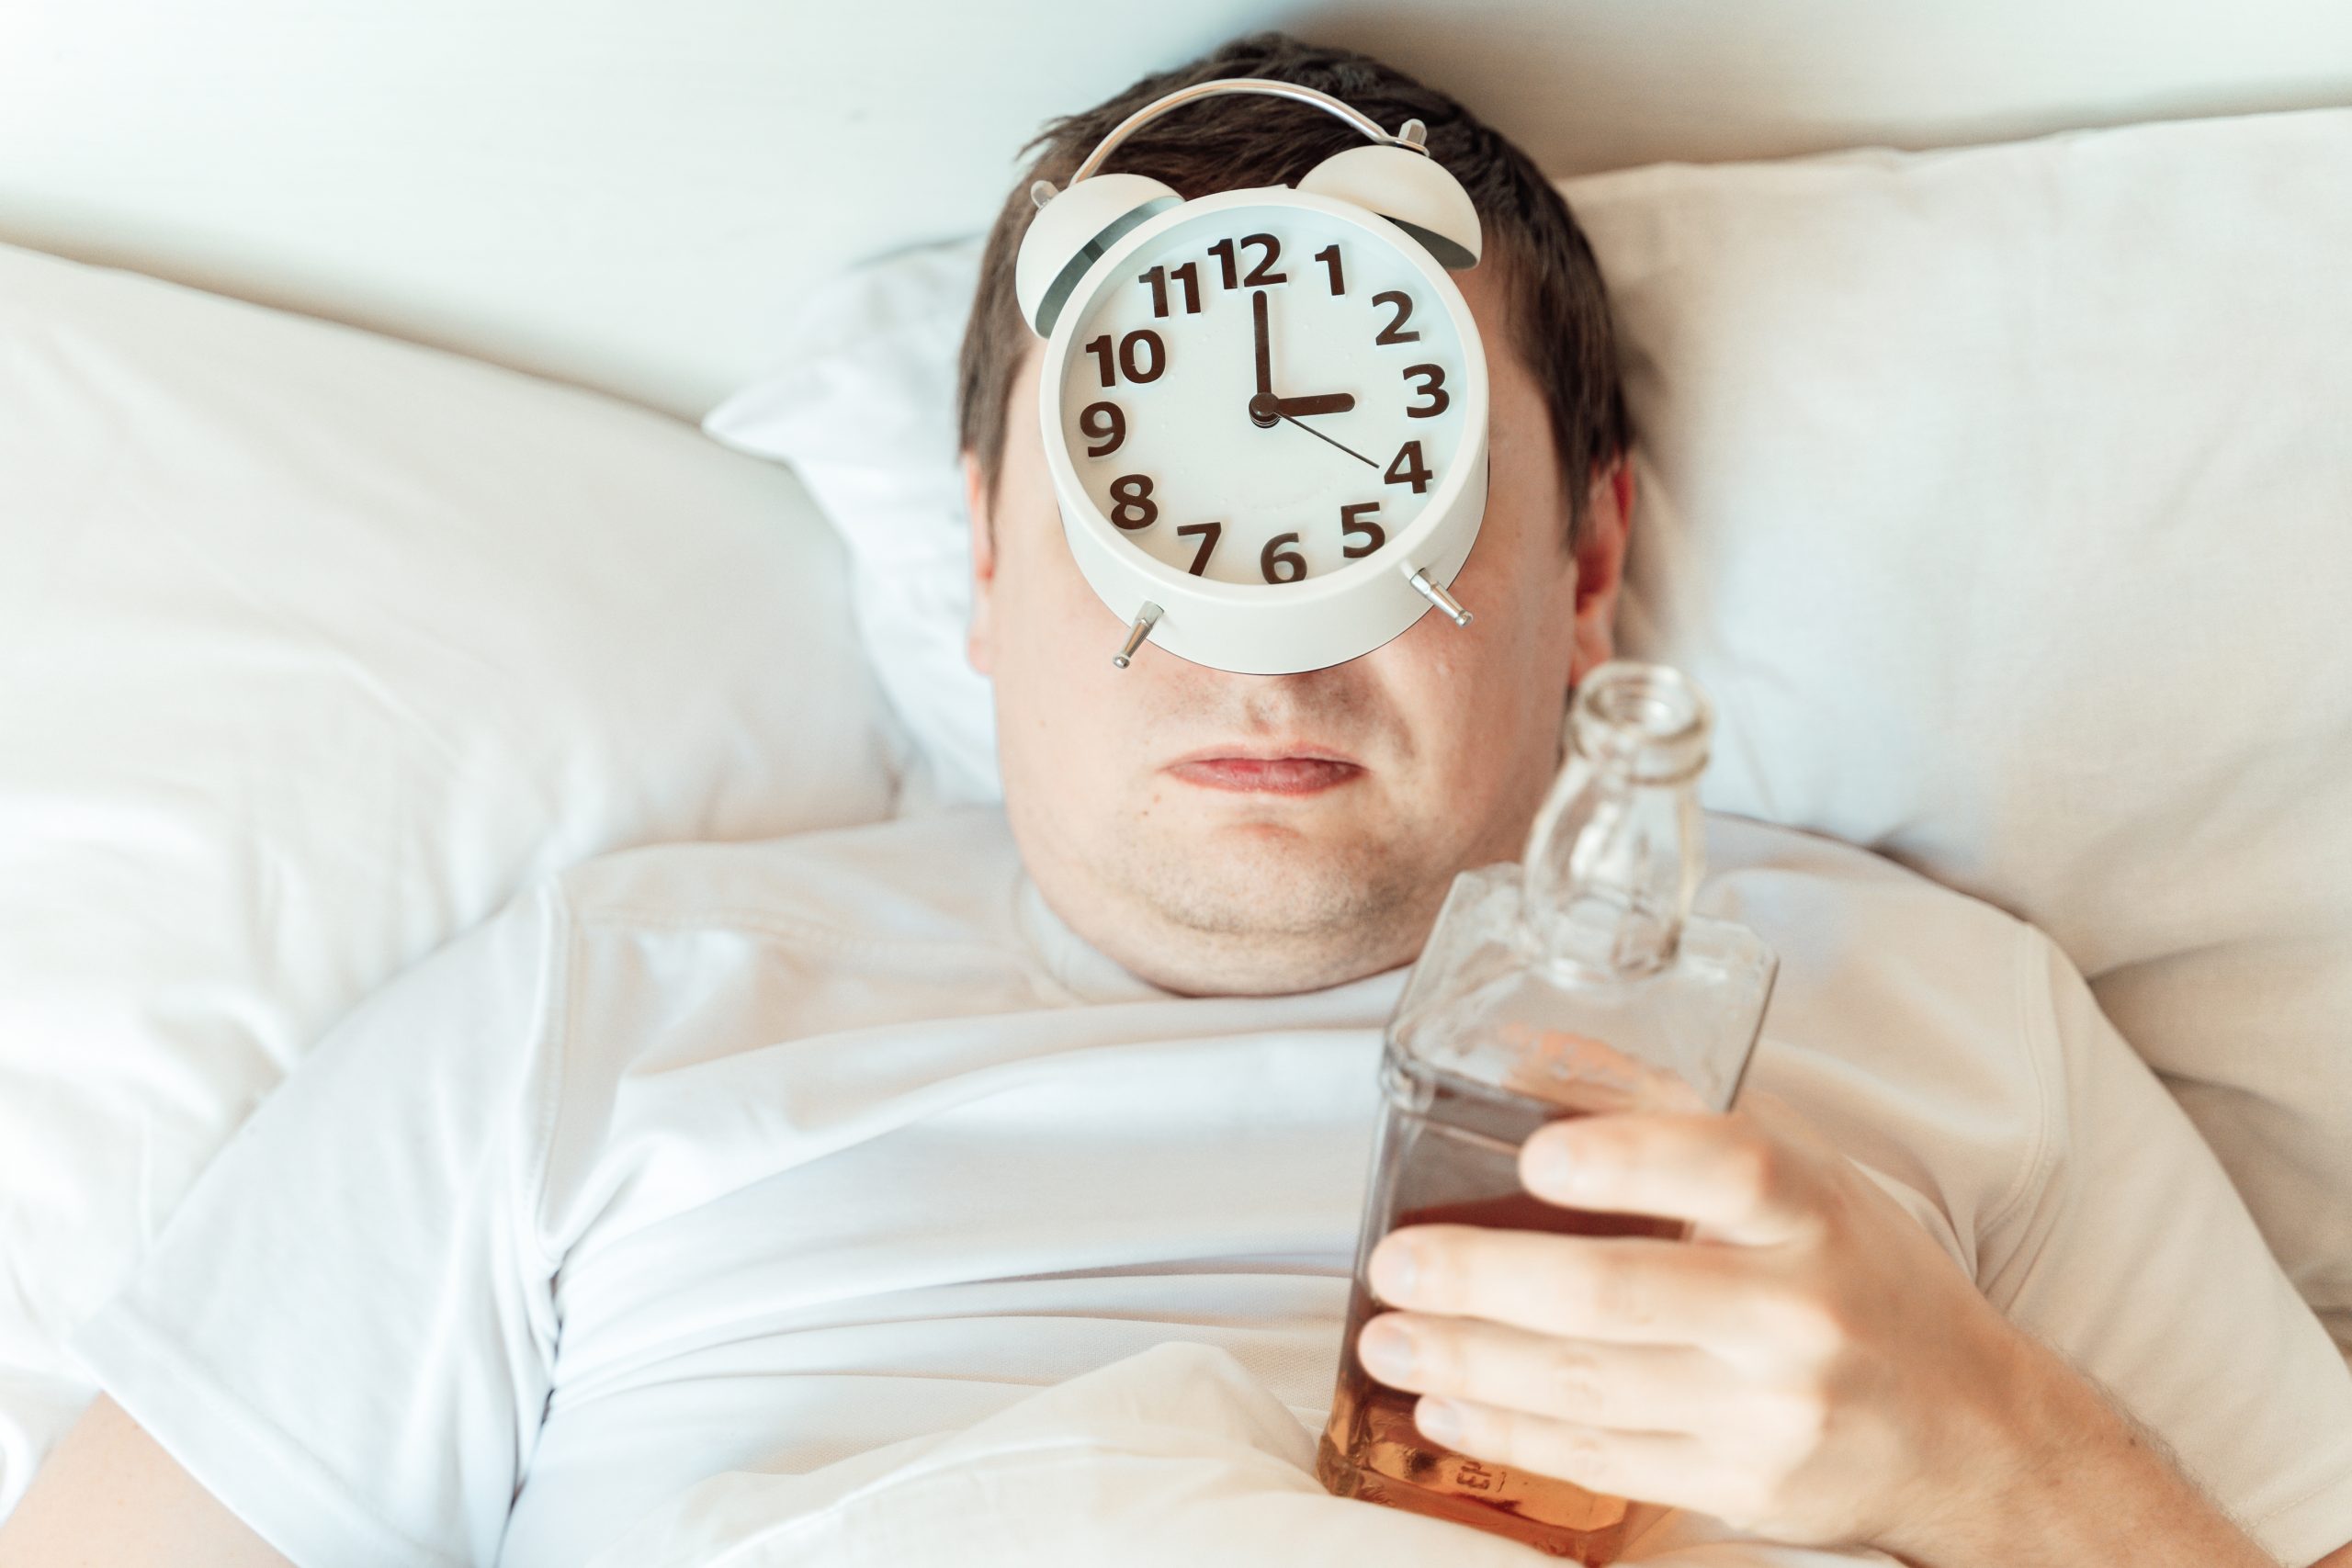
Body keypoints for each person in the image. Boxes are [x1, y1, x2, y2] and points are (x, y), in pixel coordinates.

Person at [6, 32, 2349, 1568]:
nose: (1263, 637)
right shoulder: (586, 1019)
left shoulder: (1950, 1018)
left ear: (1588, 563)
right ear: (988, 553)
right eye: (1153, 518)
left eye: (1375, 501)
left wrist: (1990, 1455)